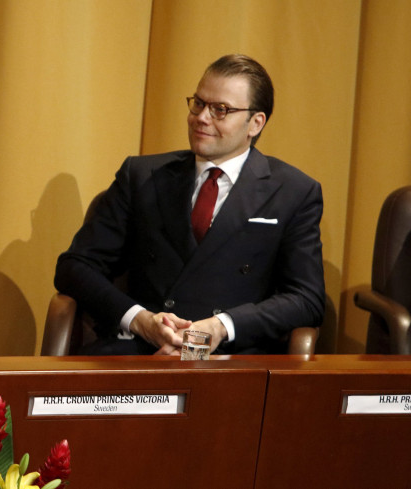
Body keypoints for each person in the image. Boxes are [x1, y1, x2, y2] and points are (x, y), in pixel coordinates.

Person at [54, 54, 325, 355]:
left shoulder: (293, 192)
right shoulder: (142, 176)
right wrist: (140, 320)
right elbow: (74, 268)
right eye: (198, 103)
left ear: (255, 123)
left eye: (220, 110)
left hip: (230, 357)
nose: (202, 117)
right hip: (142, 349)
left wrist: (222, 326)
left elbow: (306, 298)